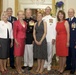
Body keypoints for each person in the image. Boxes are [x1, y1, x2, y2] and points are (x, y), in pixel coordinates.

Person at [42, 6, 56, 71]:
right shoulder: (42, 18)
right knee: (44, 52)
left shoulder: (53, 19)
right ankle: (45, 63)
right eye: (46, 9)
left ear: (50, 11)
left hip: (50, 38)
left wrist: (54, 38)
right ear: (45, 10)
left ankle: (49, 65)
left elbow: (54, 29)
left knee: (50, 52)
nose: (47, 10)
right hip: (43, 38)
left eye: (48, 9)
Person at [65, 8, 76, 74]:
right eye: (69, 12)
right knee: (67, 55)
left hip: (73, 41)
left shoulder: (75, 20)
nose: (70, 13)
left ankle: (73, 68)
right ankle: (68, 66)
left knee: (73, 56)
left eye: (71, 12)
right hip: (66, 41)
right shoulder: (66, 20)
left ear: (74, 12)